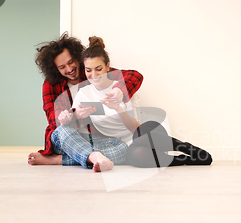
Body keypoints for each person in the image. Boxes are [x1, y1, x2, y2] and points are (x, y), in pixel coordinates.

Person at [66, 36, 212, 168]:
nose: (94, 75)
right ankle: (183, 160)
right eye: (88, 70)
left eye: (98, 69)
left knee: (140, 135)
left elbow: (135, 128)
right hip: (120, 145)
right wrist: (76, 116)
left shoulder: (120, 87)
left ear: (108, 66)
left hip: (144, 133)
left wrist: (118, 108)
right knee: (137, 157)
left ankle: (187, 148)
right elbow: (72, 125)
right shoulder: (83, 93)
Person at [27, 32, 143, 171]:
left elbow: (134, 75)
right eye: (62, 67)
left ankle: (59, 160)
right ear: (55, 69)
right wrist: (74, 116)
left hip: (95, 140)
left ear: (78, 58)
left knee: (122, 148)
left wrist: (119, 89)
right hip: (67, 138)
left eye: (71, 62)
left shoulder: (90, 71)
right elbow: (54, 121)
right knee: (63, 130)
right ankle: (92, 158)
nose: (69, 69)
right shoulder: (51, 85)